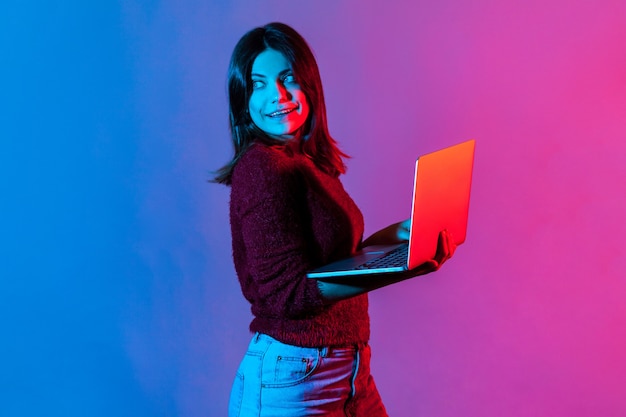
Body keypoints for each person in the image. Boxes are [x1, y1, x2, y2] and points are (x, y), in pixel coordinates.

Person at [214, 22, 456, 417]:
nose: (276, 95)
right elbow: (288, 294)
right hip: (294, 381)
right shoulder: (263, 168)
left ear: (308, 84)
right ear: (243, 100)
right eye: (258, 84)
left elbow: (339, 257)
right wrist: (399, 268)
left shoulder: (303, 161)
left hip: (349, 371)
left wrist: (404, 233)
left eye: (287, 77)